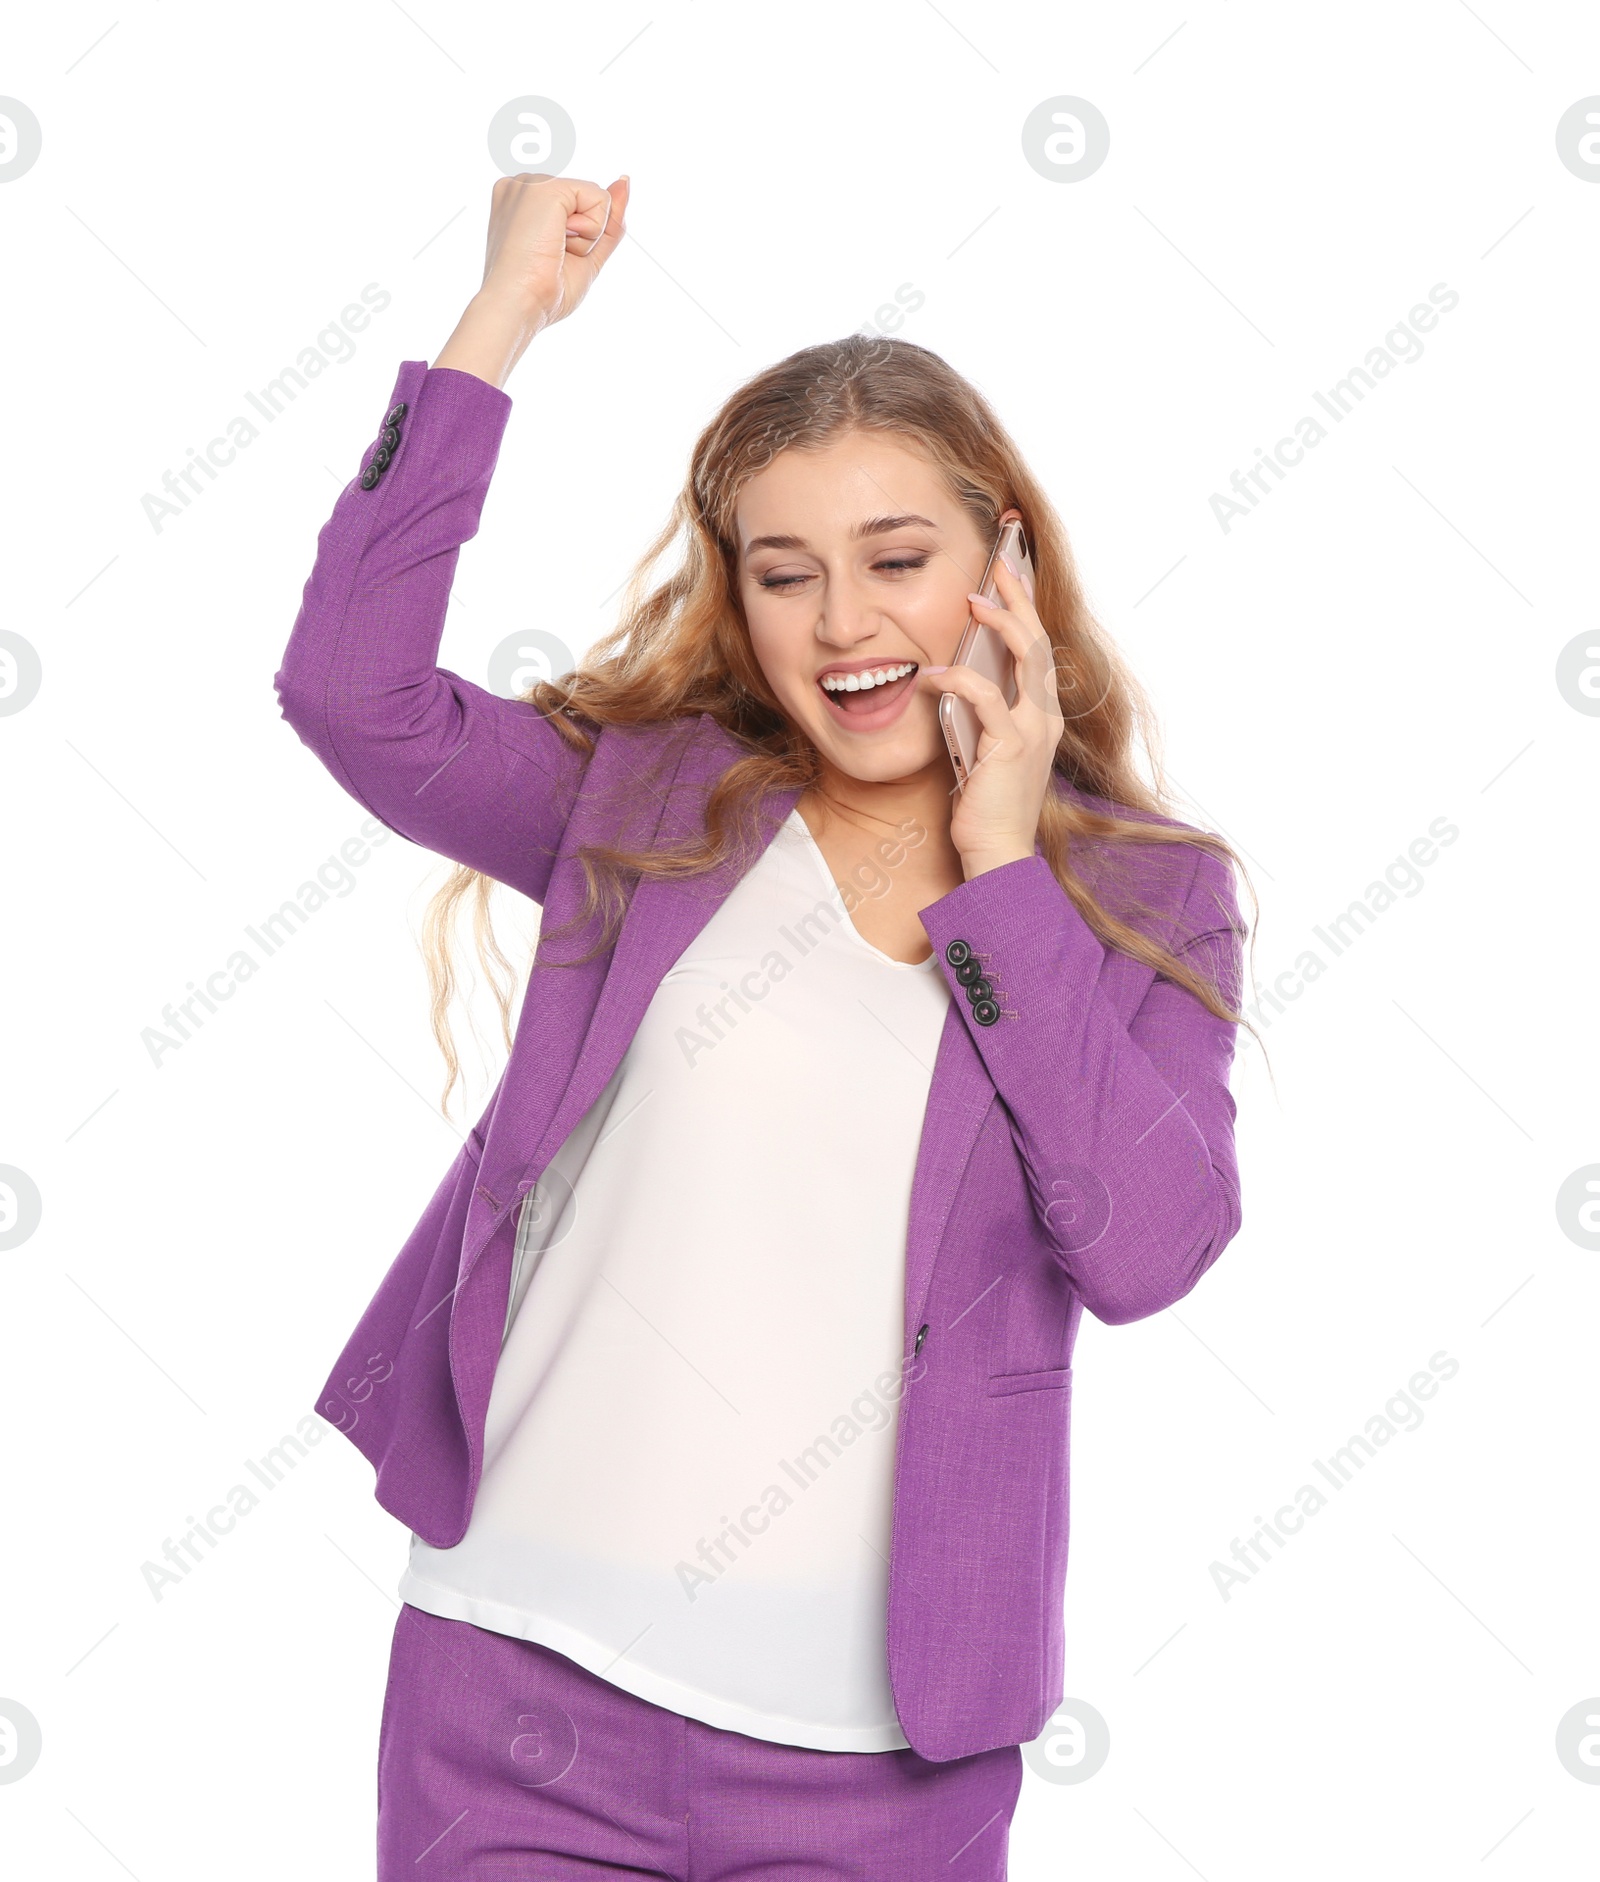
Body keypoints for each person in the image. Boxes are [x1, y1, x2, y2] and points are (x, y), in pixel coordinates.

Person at [275, 171, 1251, 1881]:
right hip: (517, 1694)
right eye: (785, 573)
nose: (846, 626)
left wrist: (1003, 865)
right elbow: (351, 699)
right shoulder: (649, 802)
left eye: (899, 560)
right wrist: (502, 319)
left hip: (883, 1771)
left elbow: (1151, 1249)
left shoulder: (1142, 897)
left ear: (1003, 559)